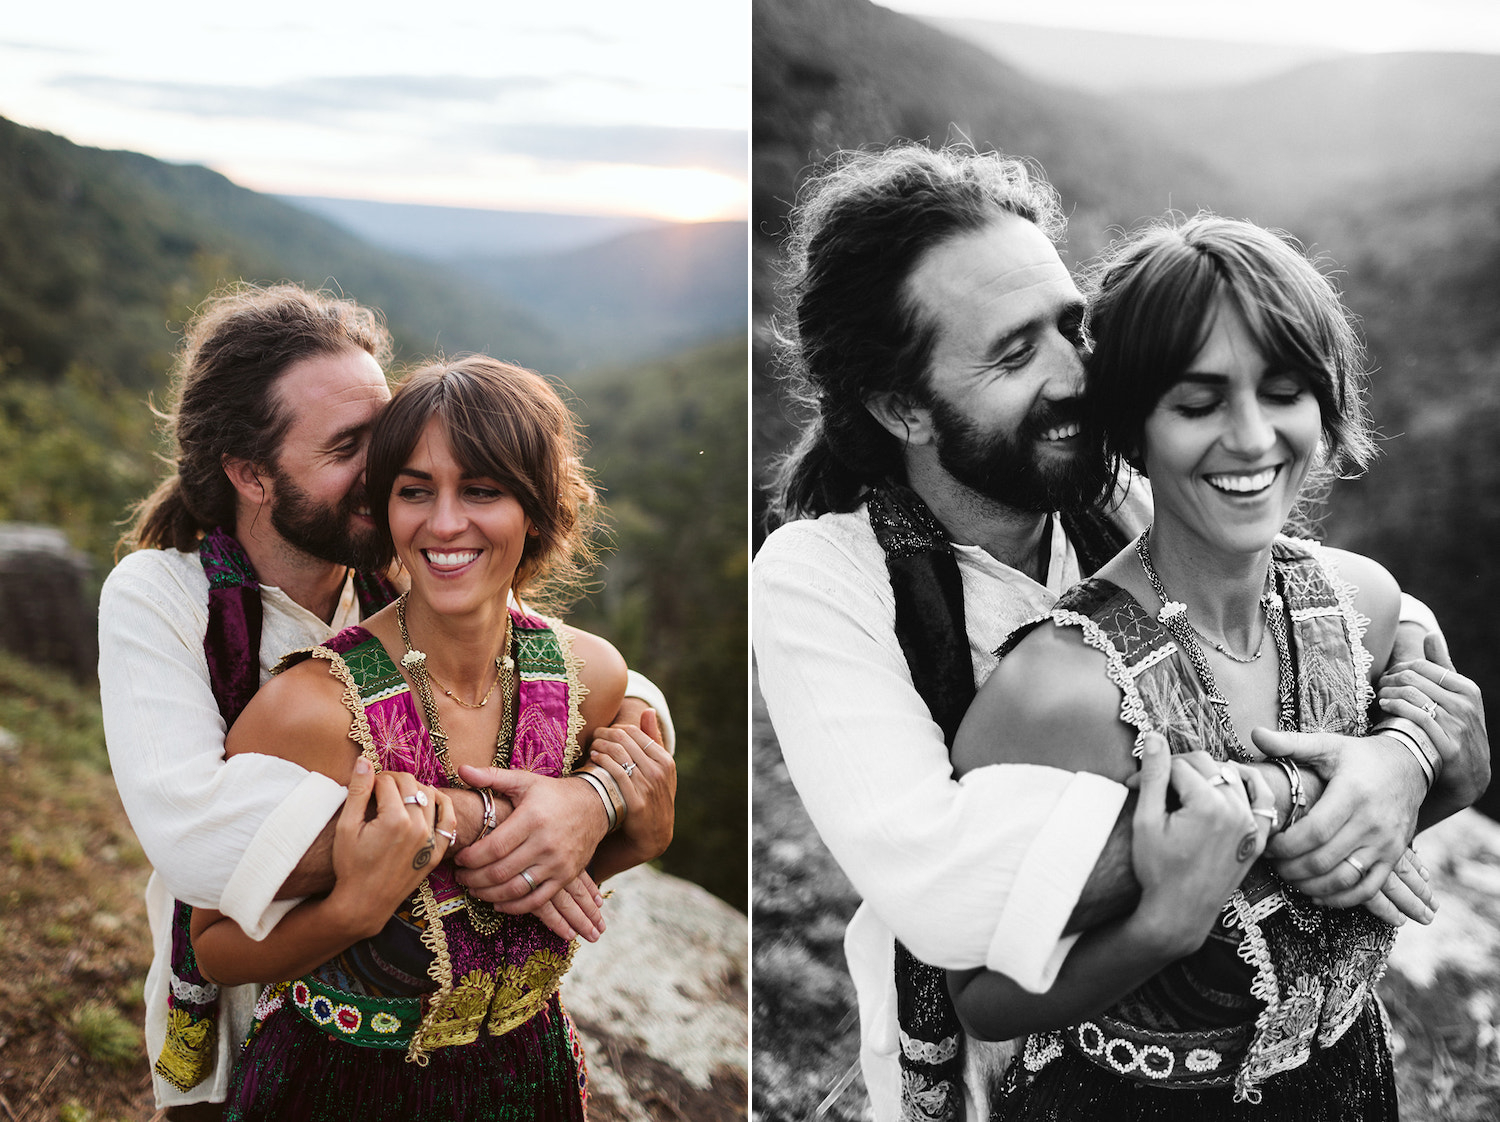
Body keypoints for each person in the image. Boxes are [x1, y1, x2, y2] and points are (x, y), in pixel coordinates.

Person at [750, 143, 1490, 1122]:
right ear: (902, 408)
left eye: (1072, 327)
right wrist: (1315, 783)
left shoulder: (1120, 488)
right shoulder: (819, 581)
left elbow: (1336, 605)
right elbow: (946, 891)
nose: (1075, 375)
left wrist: (1399, 751)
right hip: (1038, 1056)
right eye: (1015, 355)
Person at [945, 215, 1487, 1118]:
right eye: (1197, 405)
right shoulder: (1057, 690)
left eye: (1284, 393)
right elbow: (977, 993)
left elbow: (1418, 799)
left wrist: (1412, 768)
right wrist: (1161, 928)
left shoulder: (1367, 605)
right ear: (1132, 425)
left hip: (1349, 1077)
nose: (1250, 438)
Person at [99, 284, 676, 1116]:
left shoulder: (403, 559)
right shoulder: (166, 598)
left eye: (386, 439)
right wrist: (498, 814)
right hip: (264, 987)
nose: (387, 473)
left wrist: (595, 795)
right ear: (253, 474)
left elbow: (588, 681)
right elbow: (197, 834)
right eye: (349, 448)